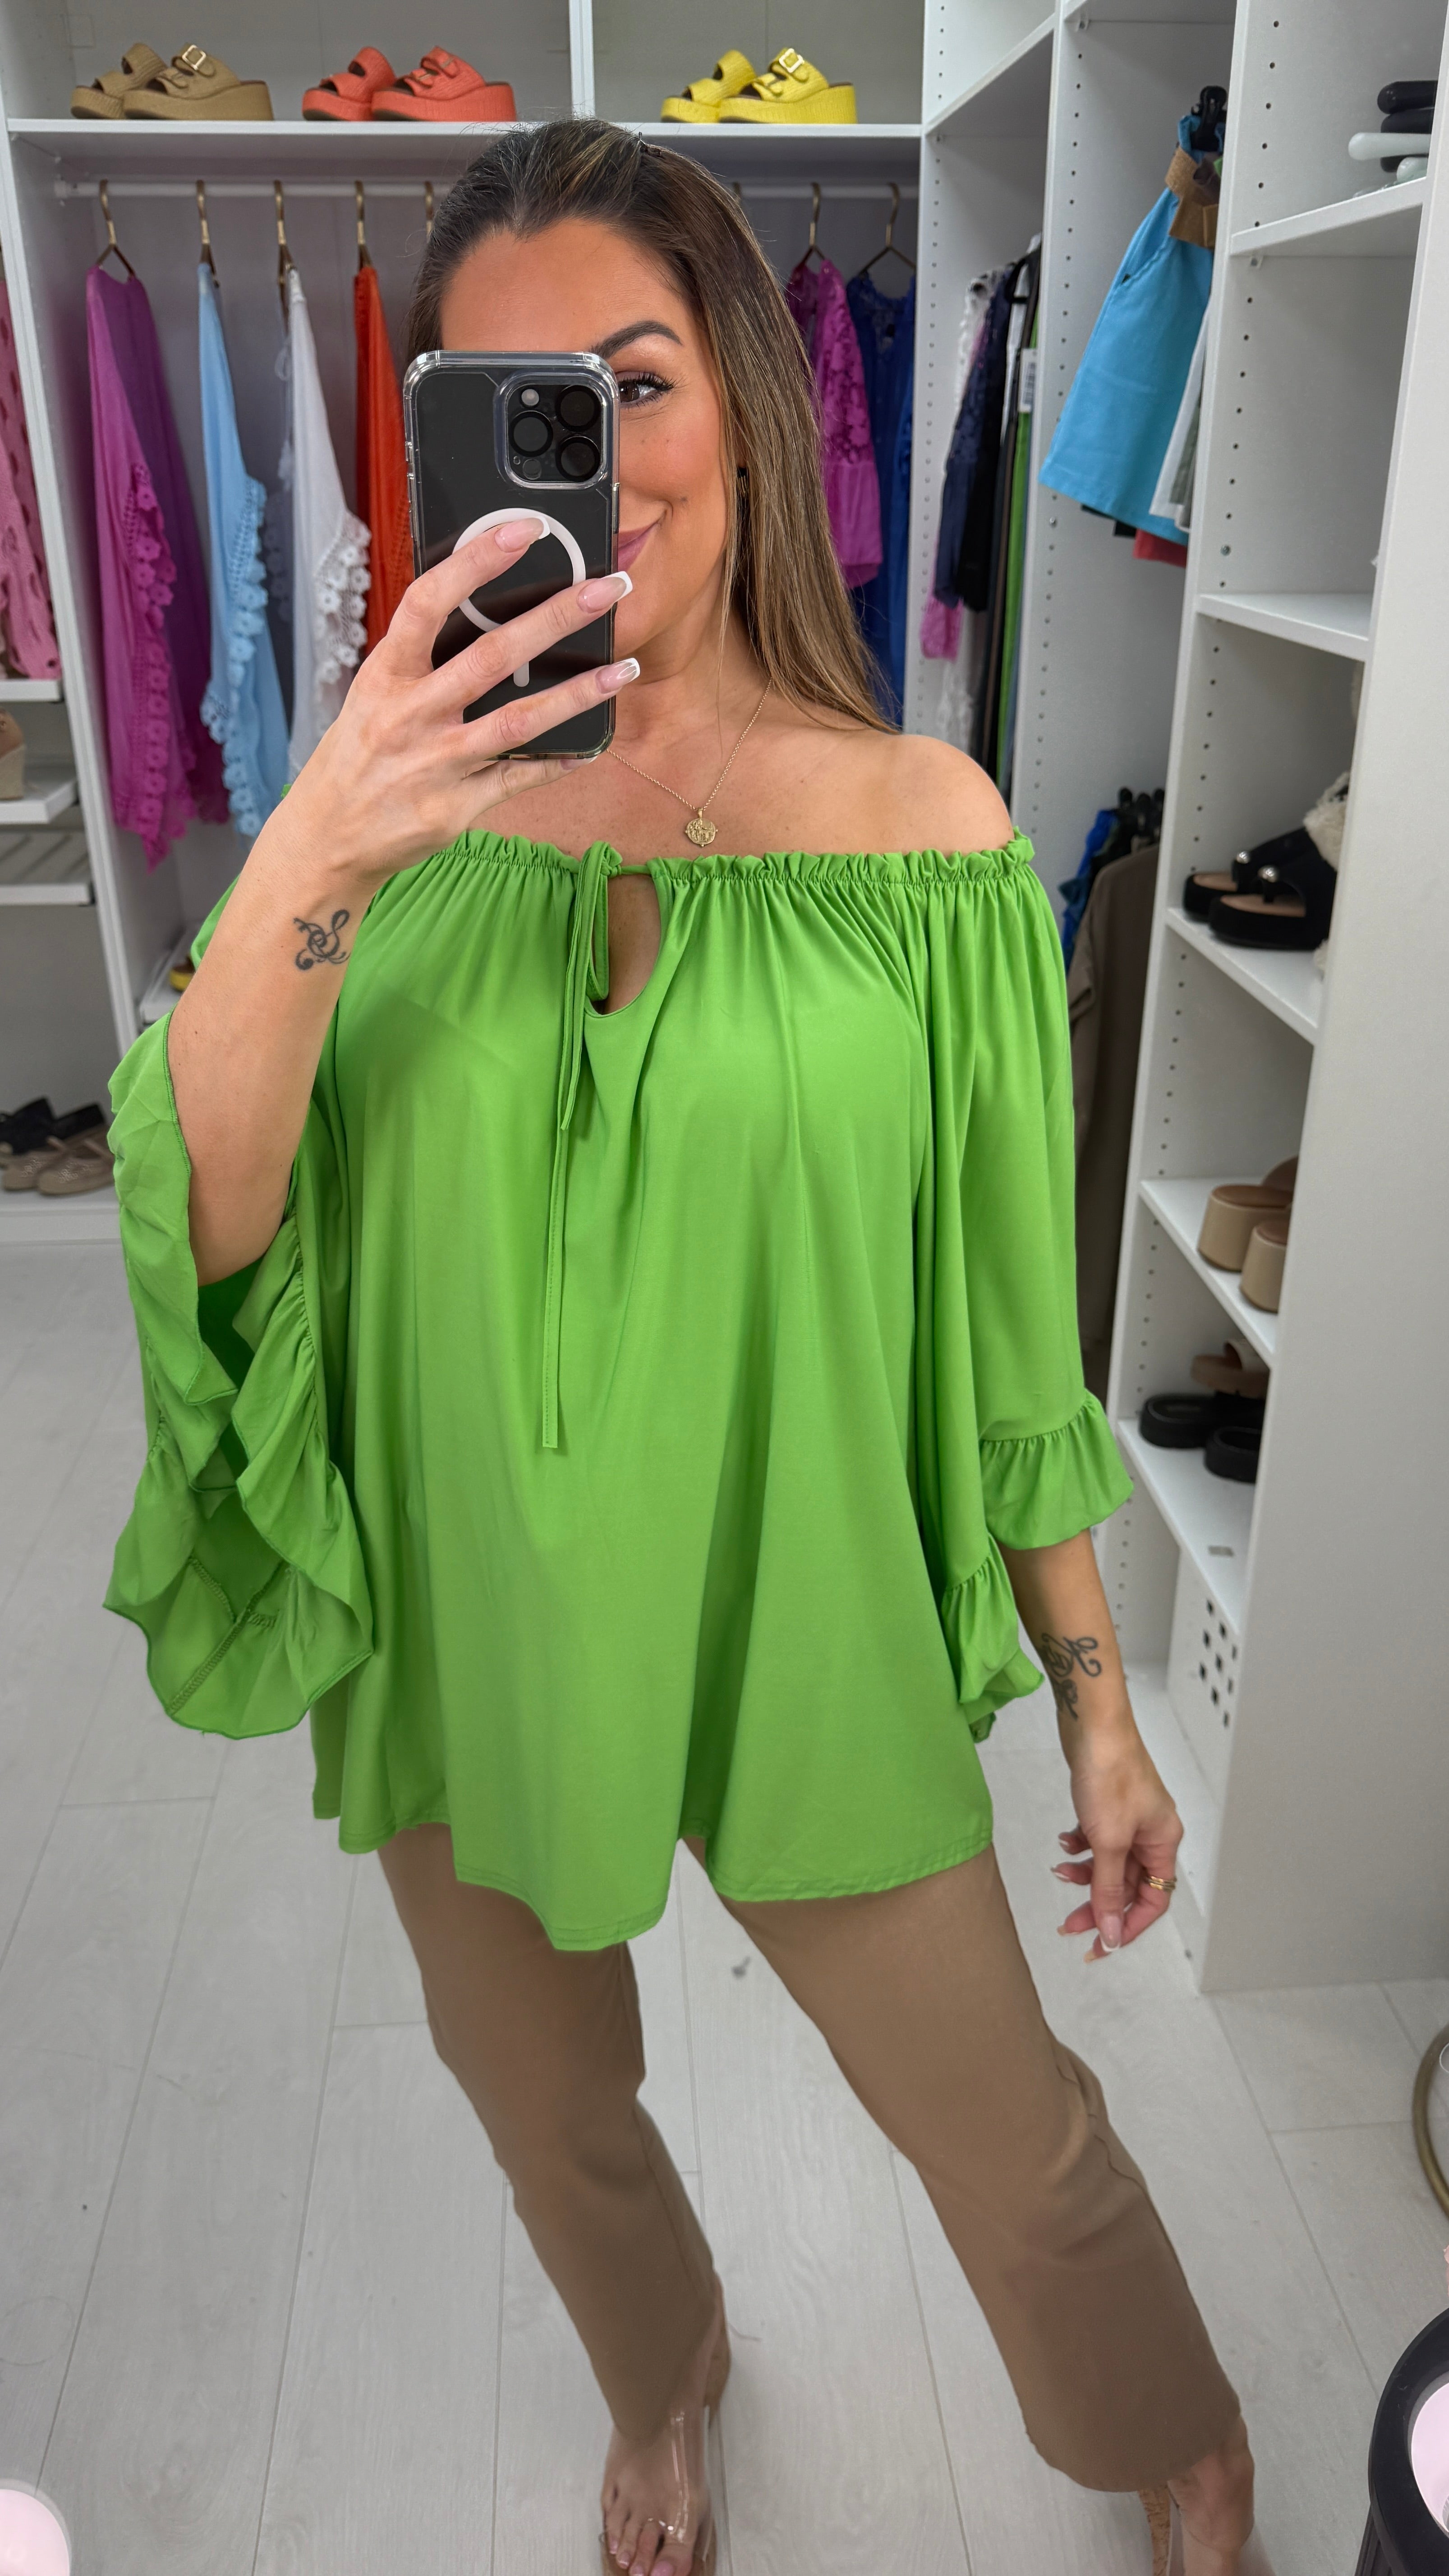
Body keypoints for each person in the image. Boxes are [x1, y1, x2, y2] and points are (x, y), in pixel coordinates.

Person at [105, 120, 1273, 2576]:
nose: (597, 461)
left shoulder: (926, 831)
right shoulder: (385, 827)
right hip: (467, 1613)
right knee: (549, 2113)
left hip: (798, 1602)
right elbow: (211, 1216)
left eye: (632, 382)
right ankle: (668, 2380)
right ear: (439, 450)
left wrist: (1096, 1698)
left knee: (1006, 2124)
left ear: (743, 386)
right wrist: (324, 835)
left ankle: (1169, 2421)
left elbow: (1001, 1327)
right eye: (510, 407)